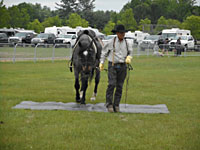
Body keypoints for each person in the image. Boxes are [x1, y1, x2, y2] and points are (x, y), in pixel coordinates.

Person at [99, 24, 133, 113]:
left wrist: (129, 57)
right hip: (113, 65)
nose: (123, 34)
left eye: (124, 33)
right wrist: (101, 62)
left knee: (120, 86)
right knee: (111, 84)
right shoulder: (111, 42)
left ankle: (116, 105)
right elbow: (104, 53)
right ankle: (109, 104)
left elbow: (130, 53)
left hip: (123, 66)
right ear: (117, 33)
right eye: (121, 33)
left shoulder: (127, 43)